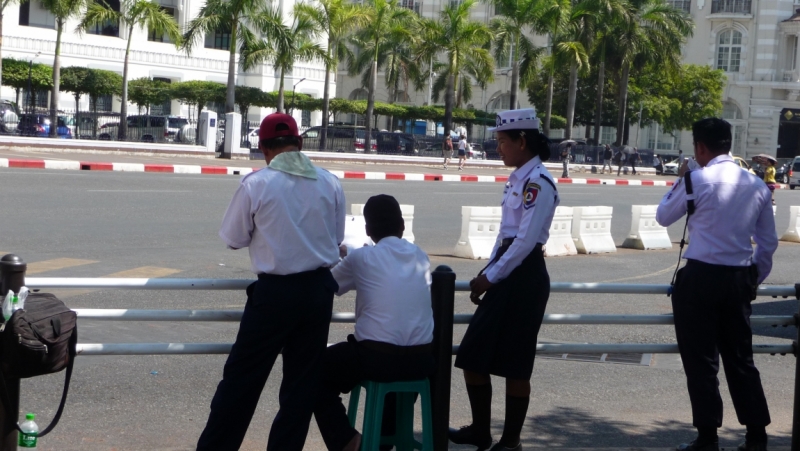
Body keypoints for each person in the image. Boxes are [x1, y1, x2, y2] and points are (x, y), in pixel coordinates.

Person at [197, 113, 345, 451]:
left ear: (263, 148)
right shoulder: (330, 182)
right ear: (300, 144)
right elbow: (336, 238)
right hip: (318, 292)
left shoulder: (256, 183)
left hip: (275, 295)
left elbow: (234, 238)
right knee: (300, 388)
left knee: (241, 382)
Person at [655, 118, 777, 451]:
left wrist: (681, 180)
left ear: (700, 147)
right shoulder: (756, 184)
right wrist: (753, 278)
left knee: (701, 362)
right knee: (741, 359)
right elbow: (767, 244)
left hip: (699, 278)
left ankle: (707, 437)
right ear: (729, 143)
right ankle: (756, 437)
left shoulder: (695, 179)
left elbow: (663, 216)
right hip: (738, 278)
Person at [449, 108, 559, 451]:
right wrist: (488, 270)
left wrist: (491, 277)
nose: (498, 148)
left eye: (502, 142)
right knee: (472, 356)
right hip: (507, 270)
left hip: (524, 277)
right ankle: (481, 430)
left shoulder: (538, 182)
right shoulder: (518, 179)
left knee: (516, 365)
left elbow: (525, 242)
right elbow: (505, 235)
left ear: (521, 141)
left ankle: (510, 441)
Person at [313, 194, 435, 451]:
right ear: (402, 226)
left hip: (377, 358)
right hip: (422, 361)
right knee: (397, 372)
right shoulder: (421, 257)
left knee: (312, 372)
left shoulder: (361, 259)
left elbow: (330, 285)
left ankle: (348, 441)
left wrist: (339, 255)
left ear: (368, 230)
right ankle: (382, 440)